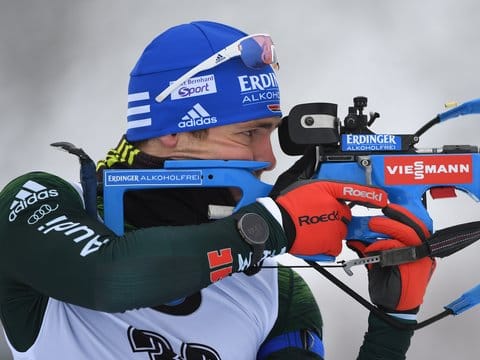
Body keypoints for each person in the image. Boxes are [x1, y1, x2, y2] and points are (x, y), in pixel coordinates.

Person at [0, 21, 435, 359]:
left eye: (270, 134)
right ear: (173, 132)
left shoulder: (274, 289)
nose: (269, 159)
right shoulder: (43, 202)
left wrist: (393, 322)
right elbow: (108, 278)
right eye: (249, 133)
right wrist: (272, 226)